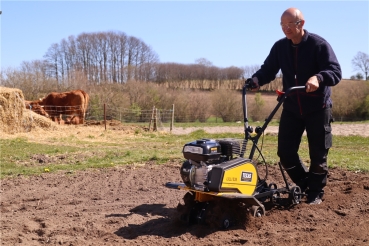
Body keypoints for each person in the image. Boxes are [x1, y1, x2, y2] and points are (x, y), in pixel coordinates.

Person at [250, 7, 341, 204]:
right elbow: (269, 69)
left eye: (290, 24)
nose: (286, 29)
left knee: (318, 153)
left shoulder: (319, 45)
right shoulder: (280, 47)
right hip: (292, 107)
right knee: (285, 152)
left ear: (301, 24)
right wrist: (256, 79)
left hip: (318, 107)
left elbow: (335, 71)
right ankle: (306, 184)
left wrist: (318, 78)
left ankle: (316, 193)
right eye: (283, 25)